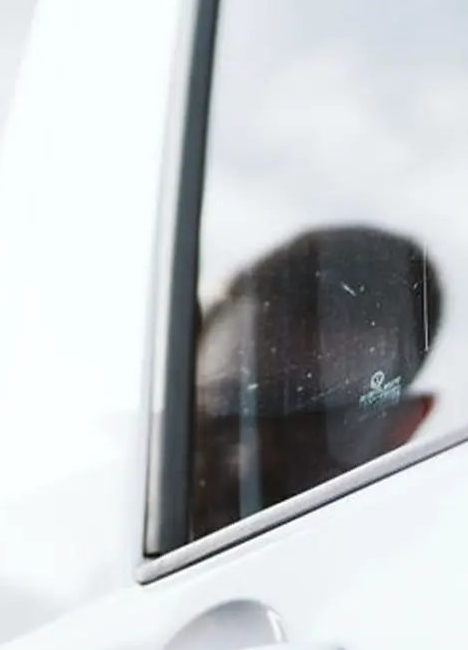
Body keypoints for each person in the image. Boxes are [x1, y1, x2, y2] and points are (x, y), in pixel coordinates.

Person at [190, 225, 445, 538]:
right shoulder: (119, 516)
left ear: (401, 426)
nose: (247, 461)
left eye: (312, 426)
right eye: (223, 410)